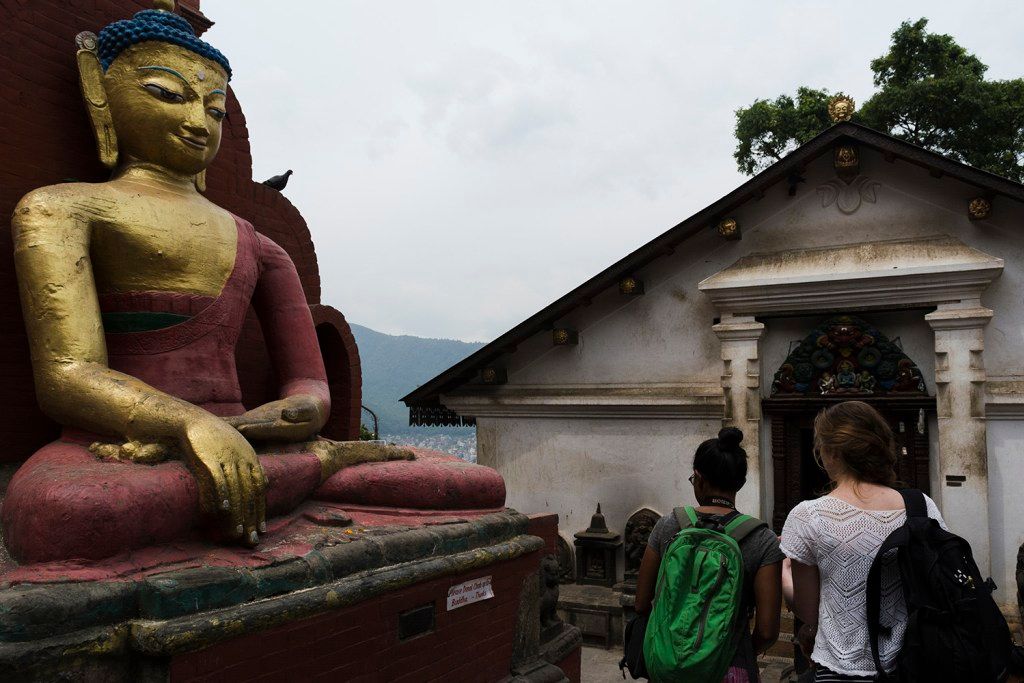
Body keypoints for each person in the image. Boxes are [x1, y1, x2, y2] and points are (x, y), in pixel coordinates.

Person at [781, 401, 945, 681]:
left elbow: (809, 612)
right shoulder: (921, 506)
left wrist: (786, 572)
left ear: (831, 451)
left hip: (837, 667)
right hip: (913, 663)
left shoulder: (808, 516)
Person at [635, 428, 783, 682]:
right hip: (730, 666)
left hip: (666, 664)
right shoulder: (763, 540)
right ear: (741, 482)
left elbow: (641, 603)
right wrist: (731, 651)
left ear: (698, 478)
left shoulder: (668, 525)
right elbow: (768, 631)